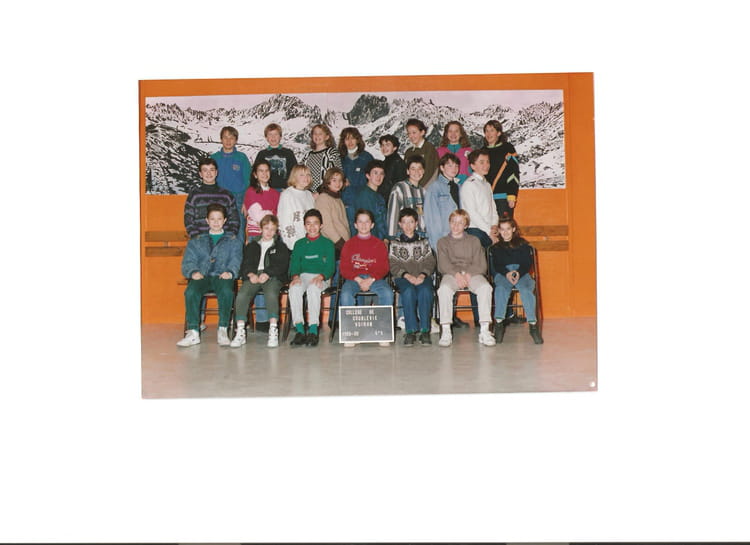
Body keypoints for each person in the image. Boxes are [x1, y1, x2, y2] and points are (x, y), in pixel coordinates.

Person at [177, 203, 242, 347]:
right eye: (212, 219)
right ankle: (193, 332)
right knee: (191, 292)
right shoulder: (196, 241)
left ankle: (223, 329)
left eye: (219, 219)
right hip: (202, 275)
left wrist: (230, 272)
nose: (216, 222)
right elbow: (188, 261)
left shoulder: (233, 241)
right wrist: (193, 272)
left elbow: (236, 260)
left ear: (225, 220)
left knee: (226, 292)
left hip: (222, 275)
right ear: (207, 220)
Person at [436, 209, 495, 347]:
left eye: (460, 223)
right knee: (443, 289)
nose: (456, 226)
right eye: (453, 222)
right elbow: (443, 264)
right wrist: (457, 275)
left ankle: (485, 330)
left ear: (466, 225)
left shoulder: (474, 241)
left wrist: (468, 274)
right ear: (449, 223)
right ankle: (446, 330)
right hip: (452, 274)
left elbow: (481, 264)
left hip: (472, 274)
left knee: (485, 288)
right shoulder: (442, 242)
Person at [230, 214, 290, 348]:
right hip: (254, 275)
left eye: (272, 229)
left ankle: (273, 329)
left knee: (271, 294)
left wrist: (268, 273)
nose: (269, 232)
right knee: (242, 294)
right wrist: (250, 274)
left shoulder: (280, 246)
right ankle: (240, 330)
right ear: (261, 228)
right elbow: (245, 263)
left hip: (272, 276)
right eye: (266, 228)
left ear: (276, 231)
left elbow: (282, 265)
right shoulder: (252, 245)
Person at [339, 209, 393, 347]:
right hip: (354, 278)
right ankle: (351, 334)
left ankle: (382, 332)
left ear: (372, 225)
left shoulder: (379, 244)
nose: (363, 225)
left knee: (387, 293)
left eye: (367, 222)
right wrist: (358, 279)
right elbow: (344, 268)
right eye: (360, 222)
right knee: (345, 294)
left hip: (374, 278)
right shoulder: (348, 244)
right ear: (355, 225)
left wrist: (371, 279)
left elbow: (384, 267)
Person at [490, 218, 543, 344]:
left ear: (513, 229)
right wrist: (506, 273)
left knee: (525, 290)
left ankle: (533, 325)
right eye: (502, 229)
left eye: (508, 229)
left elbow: (527, 263)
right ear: (499, 231)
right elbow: (496, 265)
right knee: (500, 289)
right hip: (503, 273)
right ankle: (499, 323)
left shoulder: (523, 245)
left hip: (521, 272)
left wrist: (519, 272)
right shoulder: (496, 248)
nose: (505, 232)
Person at [288, 209, 336, 347]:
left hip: (321, 277)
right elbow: (294, 264)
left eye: (315, 223)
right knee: (294, 289)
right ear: (304, 226)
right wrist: (295, 277)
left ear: (321, 225)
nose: (312, 227)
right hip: (303, 276)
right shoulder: (299, 244)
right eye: (308, 223)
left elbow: (330, 267)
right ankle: (299, 329)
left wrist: (321, 276)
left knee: (313, 289)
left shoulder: (328, 243)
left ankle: (313, 330)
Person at [389, 208, 436, 346]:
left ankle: (425, 329)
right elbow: (393, 264)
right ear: (399, 224)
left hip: (422, 276)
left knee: (425, 291)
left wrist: (422, 275)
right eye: (404, 222)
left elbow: (430, 261)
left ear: (416, 223)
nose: (408, 226)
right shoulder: (395, 243)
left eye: (411, 222)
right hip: (403, 278)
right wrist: (407, 276)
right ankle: (410, 331)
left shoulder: (424, 241)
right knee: (408, 292)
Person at [211, 126, 251, 242]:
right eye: (225, 137)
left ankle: (238, 253)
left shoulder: (242, 158)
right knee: (218, 229)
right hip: (219, 198)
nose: (228, 141)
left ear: (236, 140)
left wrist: (246, 201)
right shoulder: (214, 158)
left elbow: (248, 181)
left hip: (238, 199)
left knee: (239, 229)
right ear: (221, 139)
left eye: (231, 138)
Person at [184, 157, 240, 238]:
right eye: (205, 170)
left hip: (223, 240)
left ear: (216, 172)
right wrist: (197, 238)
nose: (208, 173)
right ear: (200, 174)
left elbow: (234, 221)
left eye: (212, 170)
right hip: (201, 240)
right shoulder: (194, 195)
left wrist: (228, 238)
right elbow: (188, 221)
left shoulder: (227, 195)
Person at [459, 149, 499, 249]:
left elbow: (493, 207)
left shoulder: (487, 184)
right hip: (476, 231)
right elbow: (471, 213)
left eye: (487, 161)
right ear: (473, 166)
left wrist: (494, 225)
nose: (486, 165)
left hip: (488, 229)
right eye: (481, 162)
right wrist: (489, 231)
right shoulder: (469, 184)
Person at [482, 119, 520, 219]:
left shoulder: (507, 149)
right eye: (486, 131)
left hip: (503, 197)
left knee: (504, 227)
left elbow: (513, 173)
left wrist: (512, 195)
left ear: (498, 133)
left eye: (492, 130)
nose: (489, 134)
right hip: (486, 197)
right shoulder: (482, 151)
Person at [424, 153, 461, 251]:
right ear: (442, 167)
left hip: (458, 237)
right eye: (450, 165)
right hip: (443, 238)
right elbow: (431, 219)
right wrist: (437, 245)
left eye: (456, 166)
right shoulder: (434, 187)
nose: (454, 169)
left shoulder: (459, 187)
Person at [277, 165, 316, 250]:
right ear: (294, 177)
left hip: (309, 243)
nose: (306, 178)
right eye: (302, 175)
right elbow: (285, 223)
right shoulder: (287, 195)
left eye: (308, 175)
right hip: (294, 245)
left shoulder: (309, 194)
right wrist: (294, 245)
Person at [315, 167, 351, 257]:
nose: (338, 183)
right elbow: (326, 226)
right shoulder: (323, 198)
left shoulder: (338, 198)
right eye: (334, 180)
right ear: (327, 181)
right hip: (333, 246)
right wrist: (341, 244)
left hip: (342, 245)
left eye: (340, 180)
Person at [339, 127, 374, 219]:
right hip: (344, 201)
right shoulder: (340, 158)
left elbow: (372, 180)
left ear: (358, 140)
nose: (350, 142)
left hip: (362, 200)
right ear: (343, 141)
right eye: (347, 139)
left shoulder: (366, 158)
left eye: (353, 138)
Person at [243, 159, 280, 241]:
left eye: (267, 170)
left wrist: (269, 214)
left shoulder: (276, 194)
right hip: (257, 235)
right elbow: (258, 216)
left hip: (273, 234)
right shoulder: (251, 191)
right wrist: (272, 213)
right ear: (255, 175)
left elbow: (280, 215)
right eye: (261, 171)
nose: (264, 173)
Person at [254, 123, 298, 192]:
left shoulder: (288, 153)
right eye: (270, 134)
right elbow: (256, 172)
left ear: (280, 137)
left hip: (285, 190)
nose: (273, 137)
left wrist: (291, 188)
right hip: (267, 190)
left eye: (276, 134)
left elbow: (295, 172)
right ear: (266, 137)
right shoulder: (262, 154)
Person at [353, 160, 389, 240]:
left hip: (380, 240)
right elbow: (366, 223)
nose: (379, 177)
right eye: (375, 173)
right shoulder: (364, 196)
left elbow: (383, 221)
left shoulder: (379, 196)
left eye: (381, 174)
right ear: (368, 175)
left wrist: (386, 238)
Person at [302, 124, 342, 192]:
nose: (317, 136)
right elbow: (300, 173)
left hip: (327, 193)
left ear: (327, 137)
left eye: (320, 134)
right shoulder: (308, 155)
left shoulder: (332, 153)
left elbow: (338, 174)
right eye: (315, 133)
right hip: (308, 193)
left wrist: (319, 192)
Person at [403, 118, 439, 187]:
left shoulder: (429, 148)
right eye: (409, 133)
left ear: (422, 132)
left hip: (426, 188)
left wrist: (420, 189)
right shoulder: (408, 152)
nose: (411, 136)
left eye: (414, 132)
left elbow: (432, 172)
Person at [378, 134, 406, 199]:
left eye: (387, 145)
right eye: (382, 145)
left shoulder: (398, 163)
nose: (384, 148)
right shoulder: (384, 163)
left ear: (394, 148)